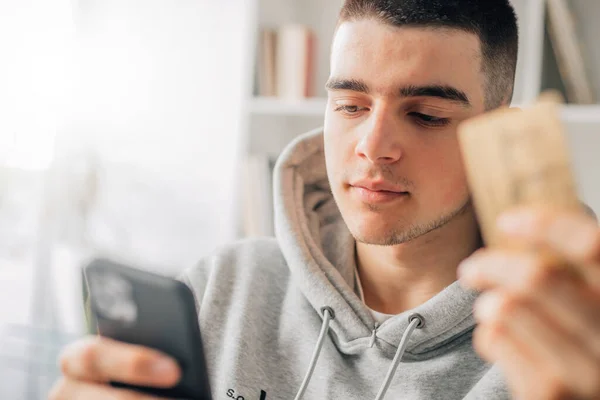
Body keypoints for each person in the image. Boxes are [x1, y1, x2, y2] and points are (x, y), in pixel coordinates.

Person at [50, 1, 600, 399]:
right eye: (350, 106)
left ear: (496, 132)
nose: (374, 148)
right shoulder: (223, 287)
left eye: (426, 115)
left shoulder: (564, 340)